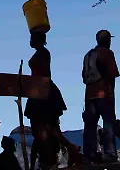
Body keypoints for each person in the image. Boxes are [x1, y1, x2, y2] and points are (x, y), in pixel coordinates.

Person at [24, 31, 81, 169]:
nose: (29, 41)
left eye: (32, 38)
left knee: (47, 126)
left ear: (37, 39)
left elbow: (46, 72)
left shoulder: (44, 53)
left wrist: (43, 90)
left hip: (42, 90)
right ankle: (54, 158)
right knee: (42, 129)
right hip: (37, 90)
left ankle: (68, 148)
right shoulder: (40, 53)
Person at [81, 30, 119, 164]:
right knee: (108, 124)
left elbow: (83, 77)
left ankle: (88, 155)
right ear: (108, 41)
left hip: (89, 95)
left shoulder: (88, 55)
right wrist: (110, 93)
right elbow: (112, 74)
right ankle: (110, 154)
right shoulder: (108, 53)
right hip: (104, 92)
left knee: (90, 126)